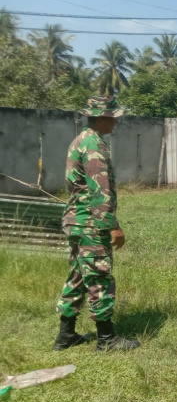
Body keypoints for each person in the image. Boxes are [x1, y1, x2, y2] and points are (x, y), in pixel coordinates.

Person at [52, 95, 140, 352]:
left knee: (77, 277)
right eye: (113, 118)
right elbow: (100, 190)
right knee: (100, 277)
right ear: (101, 117)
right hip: (91, 223)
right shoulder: (93, 145)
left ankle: (65, 335)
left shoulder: (80, 140)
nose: (115, 123)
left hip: (76, 221)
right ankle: (106, 339)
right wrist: (111, 225)